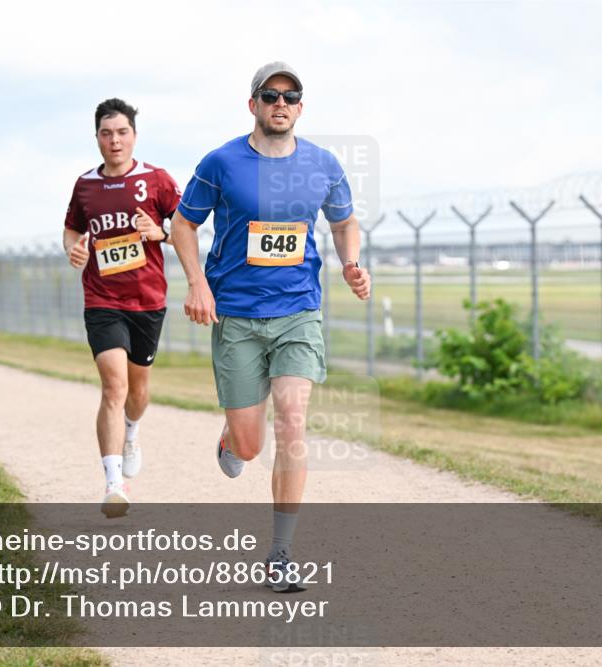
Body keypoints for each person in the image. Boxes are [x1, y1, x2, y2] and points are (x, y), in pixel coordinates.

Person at [170, 62, 371, 592]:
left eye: (290, 96)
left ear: (300, 108)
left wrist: (351, 262)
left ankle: (280, 553)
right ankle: (234, 442)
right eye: (270, 95)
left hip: (298, 313)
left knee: (292, 420)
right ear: (253, 104)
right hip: (235, 314)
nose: (280, 103)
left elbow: (344, 220)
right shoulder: (221, 162)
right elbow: (183, 224)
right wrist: (197, 284)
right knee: (252, 443)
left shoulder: (323, 165)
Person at [63, 98, 181, 518]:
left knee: (138, 392)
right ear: (97, 137)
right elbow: (72, 229)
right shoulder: (85, 185)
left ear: (134, 135)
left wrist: (160, 233)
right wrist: (74, 251)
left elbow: (186, 227)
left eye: (122, 132)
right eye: (106, 133)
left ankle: (131, 431)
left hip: (148, 300)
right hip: (102, 299)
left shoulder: (157, 180)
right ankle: (115, 483)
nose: (114, 141)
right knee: (114, 387)